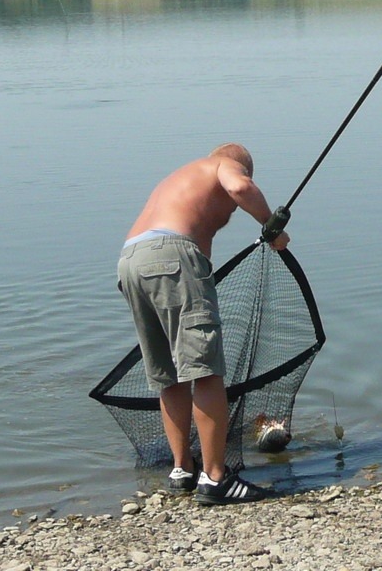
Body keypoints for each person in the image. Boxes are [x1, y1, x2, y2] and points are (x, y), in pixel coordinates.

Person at [117, 143, 289, 505]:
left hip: (131, 260)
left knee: (169, 374)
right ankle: (215, 478)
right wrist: (271, 228)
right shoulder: (224, 165)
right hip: (171, 254)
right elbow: (240, 189)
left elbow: (199, 252)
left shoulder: (178, 180)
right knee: (205, 370)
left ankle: (182, 469)